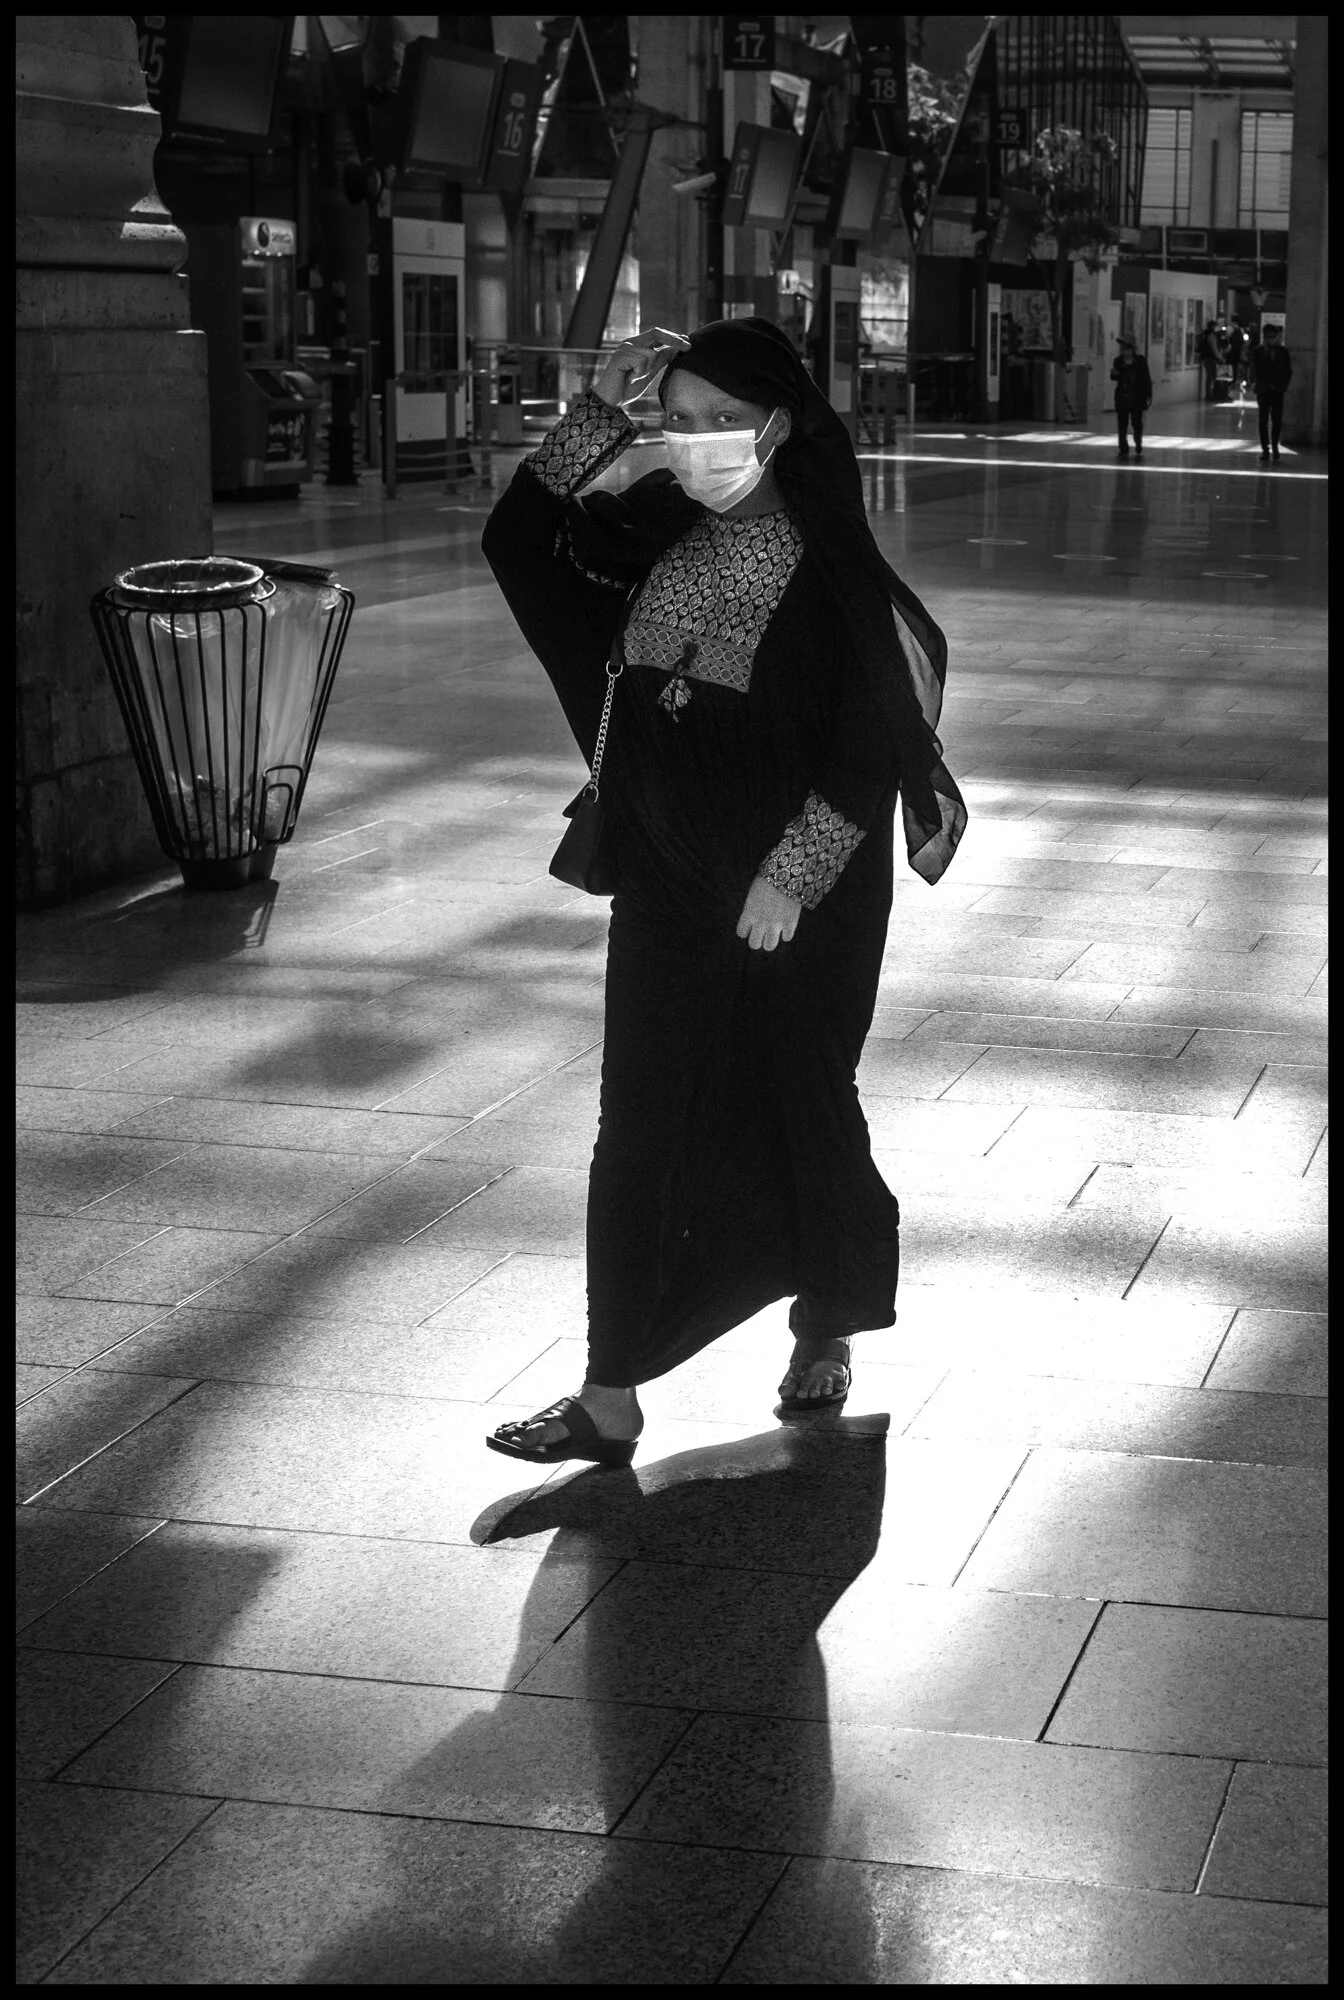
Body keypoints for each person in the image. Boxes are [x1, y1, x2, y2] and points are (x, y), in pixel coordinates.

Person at [479, 317, 966, 1466]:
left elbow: (872, 736)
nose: (695, 440)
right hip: (665, 882)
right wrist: (595, 417)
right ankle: (608, 1393)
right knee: (636, 1127)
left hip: (796, 903)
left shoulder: (831, 564)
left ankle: (827, 1317)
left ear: (778, 426)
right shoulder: (651, 537)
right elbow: (518, 543)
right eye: (677, 419)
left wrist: (793, 872)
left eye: (721, 419)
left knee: (802, 1099)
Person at [1251, 321, 1292, 462]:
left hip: (1277, 391)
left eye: (1273, 336)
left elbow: (1288, 371)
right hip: (1263, 390)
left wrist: (1283, 386)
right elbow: (1257, 370)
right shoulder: (1258, 351)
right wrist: (1265, 353)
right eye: (1268, 337)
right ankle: (1265, 449)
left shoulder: (1283, 351)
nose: (1271, 339)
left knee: (1277, 420)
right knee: (1263, 420)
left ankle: (1275, 446)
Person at [1110, 335, 1153, 459]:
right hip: (1122, 396)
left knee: (1136, 422)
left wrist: (1148, 395)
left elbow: (1146, 378)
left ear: (1132, 349)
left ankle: (1138, 441)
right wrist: (1115, 374)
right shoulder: (1118, 361)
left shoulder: (1140, 361)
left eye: (1127, 349)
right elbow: (1115, 377)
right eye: (1123, 349)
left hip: (1137, 397)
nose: (1124, 351)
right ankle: (1123, 447)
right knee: (1122, 424)